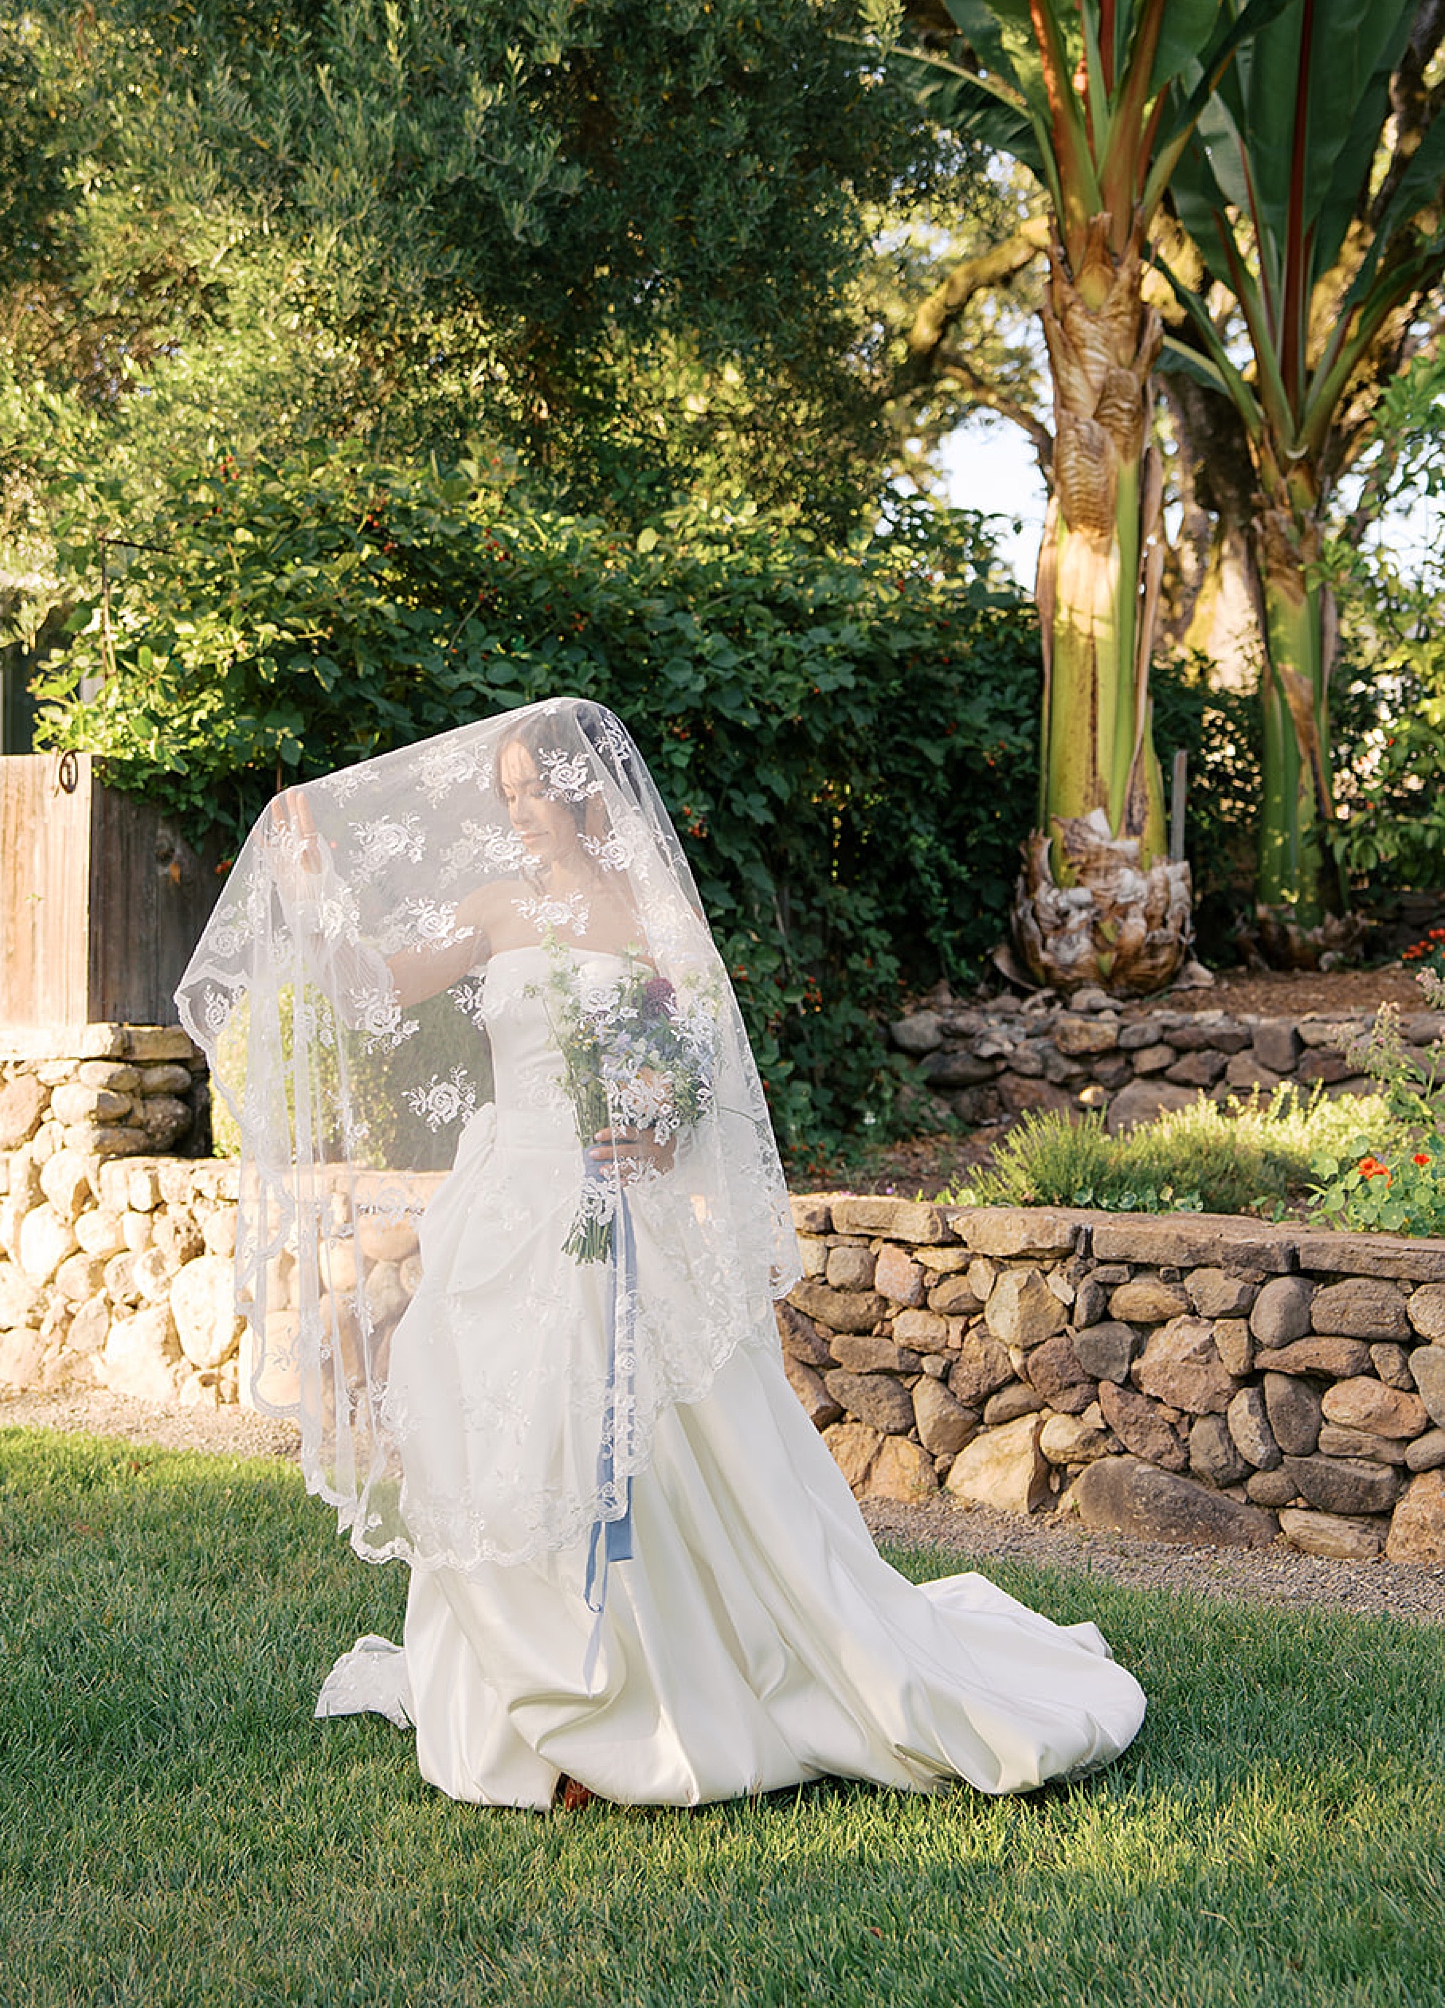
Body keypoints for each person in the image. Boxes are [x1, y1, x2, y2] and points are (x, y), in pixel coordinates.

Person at [177, 698, 1145, 1810]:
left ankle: (638, 1697)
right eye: (505, 796)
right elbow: (373, 986)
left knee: (632, 1446)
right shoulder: (494, 908)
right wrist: (309, 887)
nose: (521, 812)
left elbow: (698, 1072)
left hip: (615, 1214)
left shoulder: (652, 920)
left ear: (585, 792)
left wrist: (655, 1124)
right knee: (497, 1435)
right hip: (508, 1207)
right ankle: (541, 1705)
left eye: (534, 790)